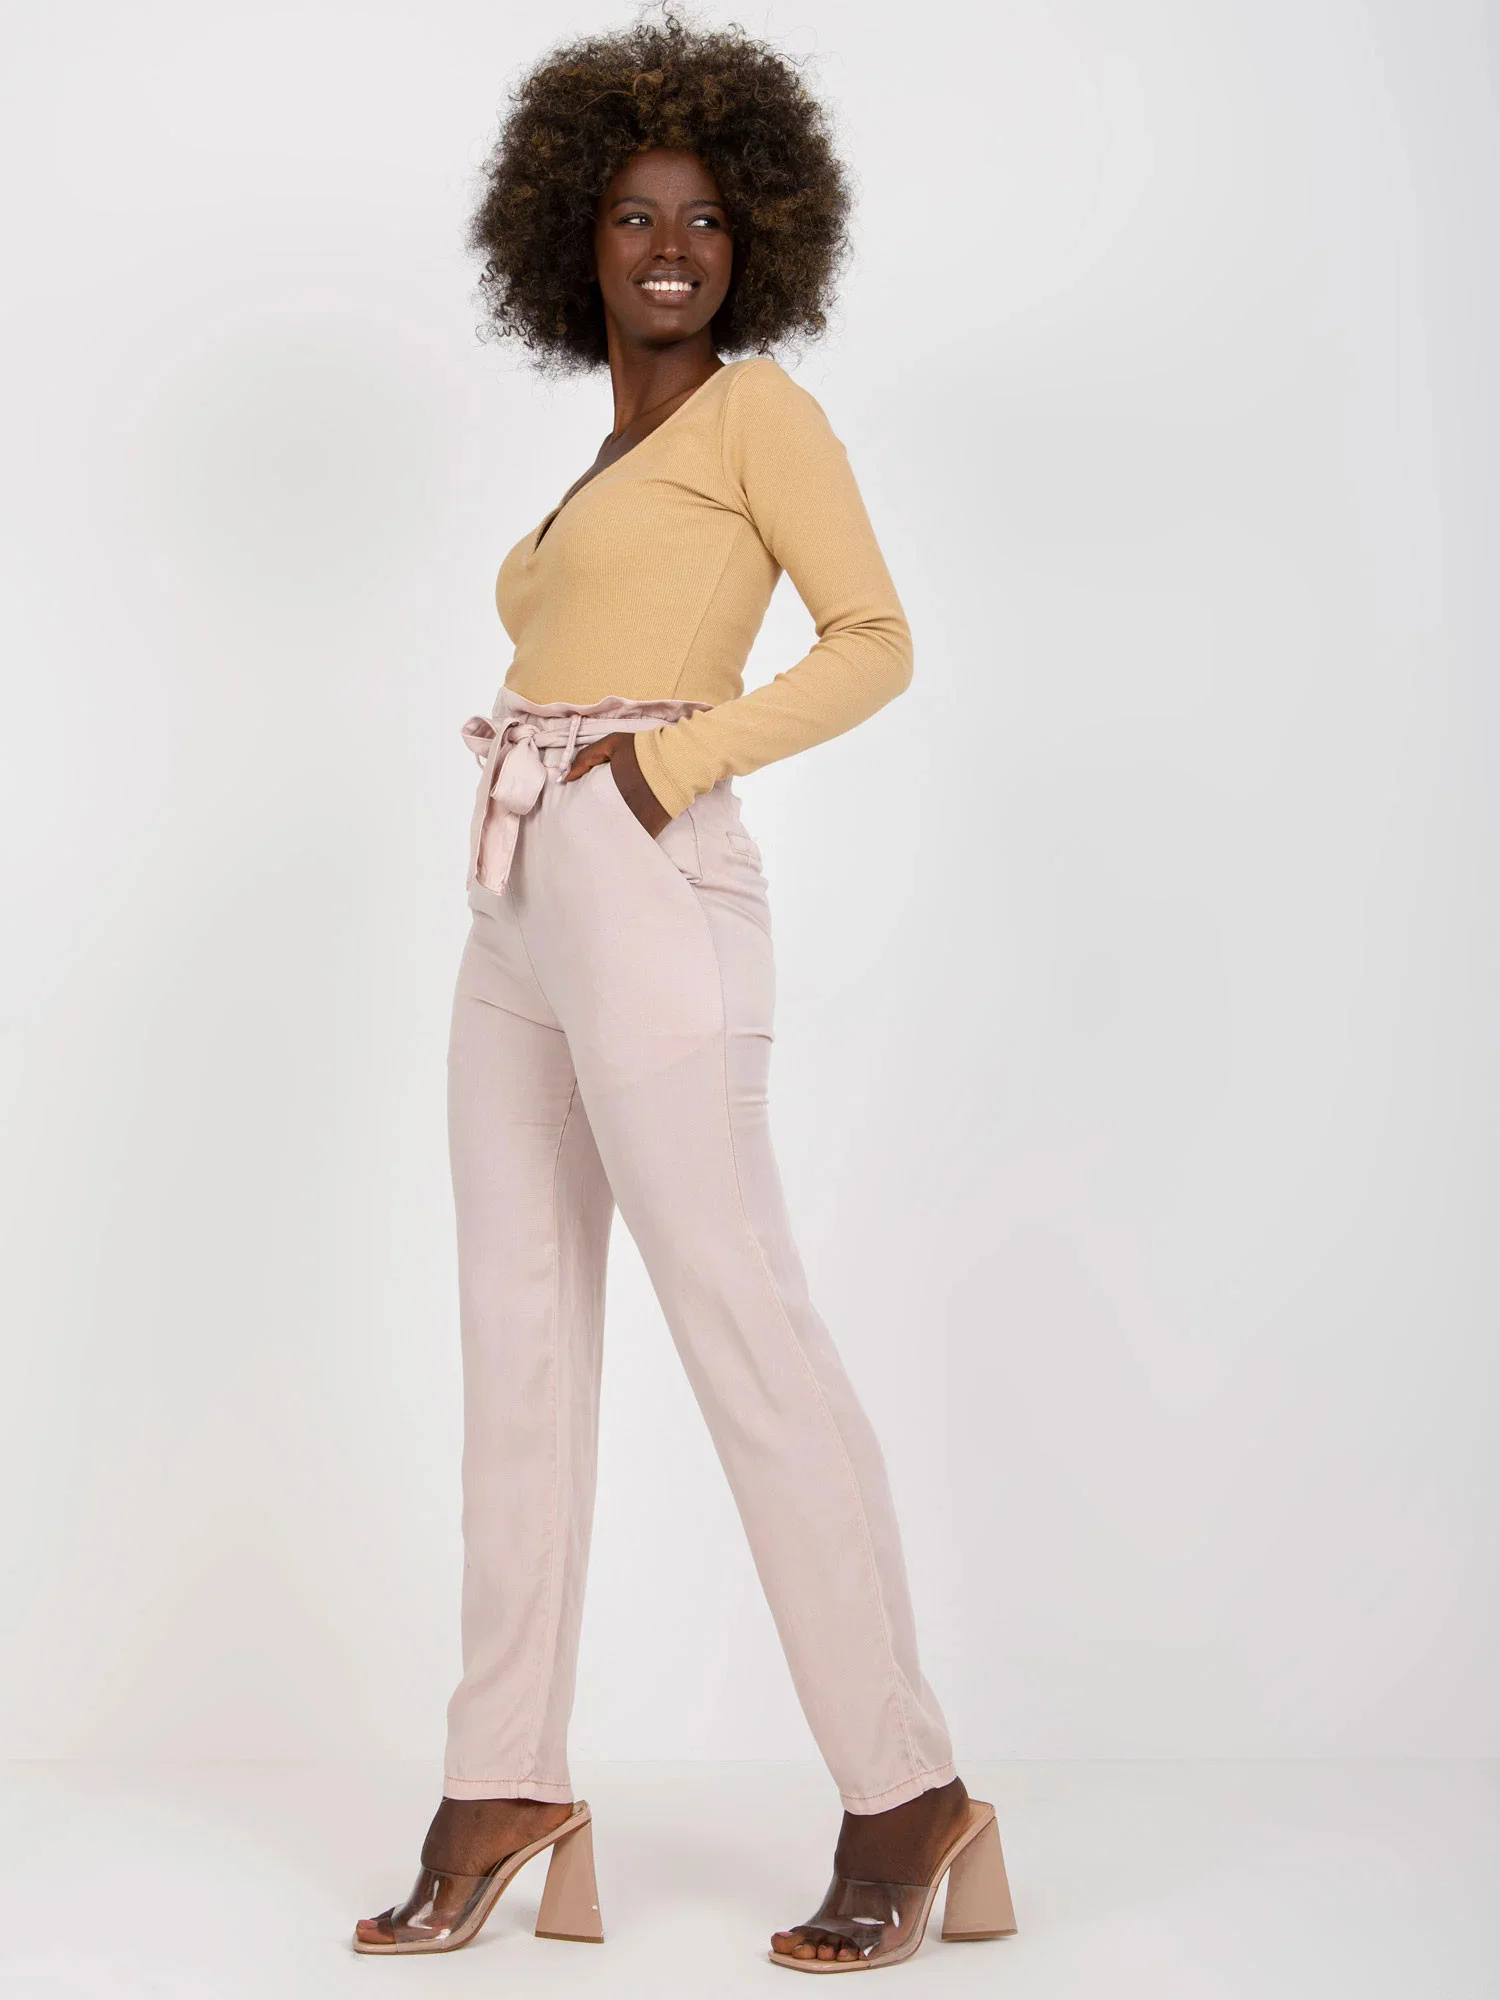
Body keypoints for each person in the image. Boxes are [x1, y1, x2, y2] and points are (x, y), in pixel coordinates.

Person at [353, 5, 1017, 1973]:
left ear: (755, 244)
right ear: (576, 234)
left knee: (741, 1325)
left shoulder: (757, 417)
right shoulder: (606, 456)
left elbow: (874, 637)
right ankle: (501, 1779)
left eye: (707, 219)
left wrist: (661, 771)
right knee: (515, 1345)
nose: (671, 246)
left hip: (642, 872)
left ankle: (905, 1789)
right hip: (514, 897)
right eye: (636, 214)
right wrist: (566, 802)